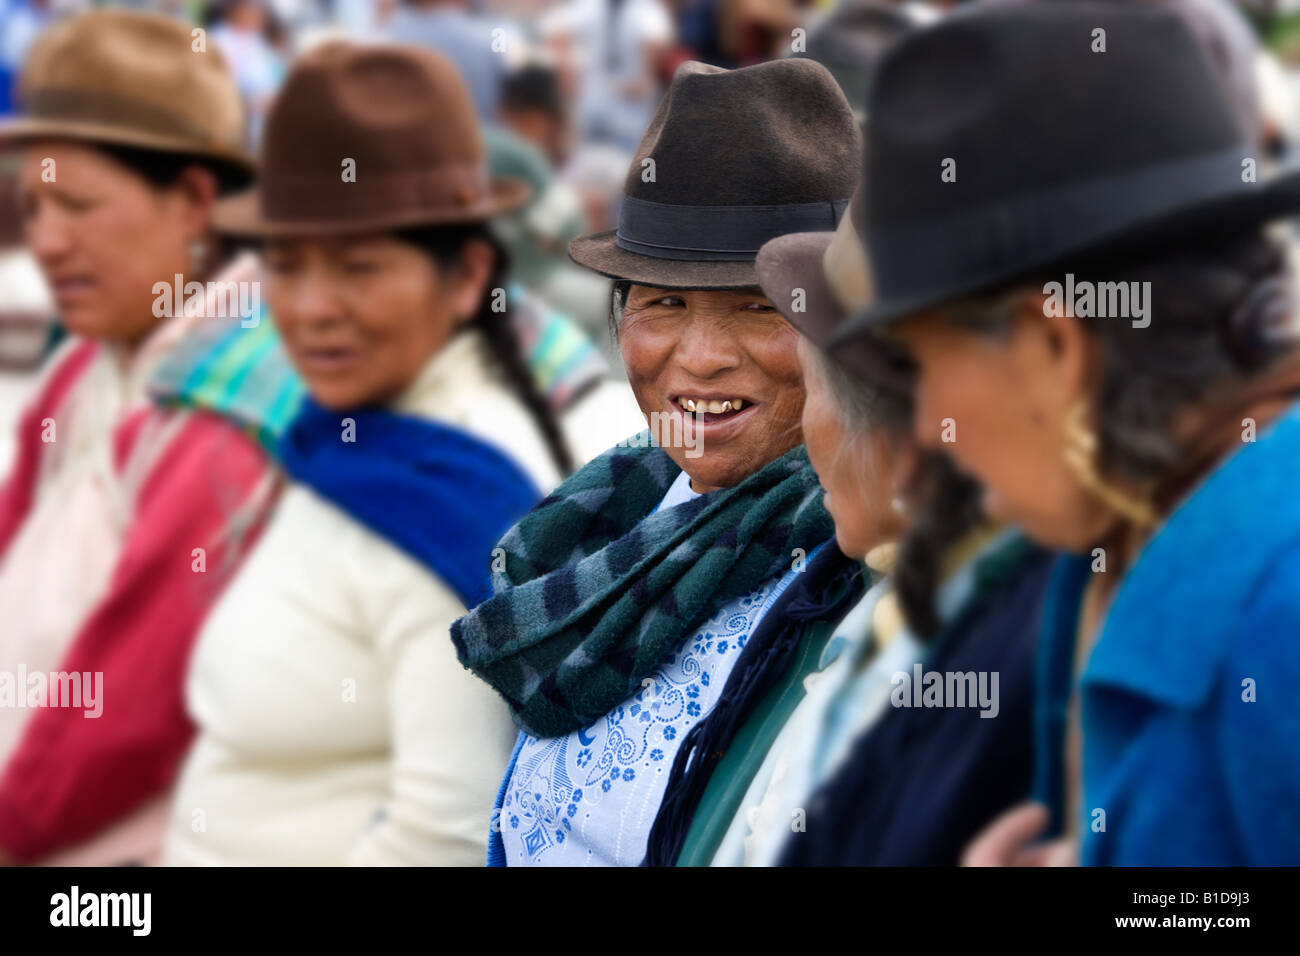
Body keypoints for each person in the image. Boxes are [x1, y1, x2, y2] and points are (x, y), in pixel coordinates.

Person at [840, 3, 1300, 865]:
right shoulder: (1118, 547)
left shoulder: (1279, 614)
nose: (931, 430)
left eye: (921, 359)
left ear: (1055, 346)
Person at [162, 42, 568, 866]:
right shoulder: (354, 441)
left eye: (359, 268)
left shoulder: (452, 498)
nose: (312, 309)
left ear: (466, 278)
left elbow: (448, 836)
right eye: (285, 266)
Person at [451, 56, 859, 866]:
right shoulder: (610, 515)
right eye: (663, 303)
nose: (699, 358)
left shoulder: (850, 570)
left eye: (758, 308)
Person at [0, 8, 273, 867]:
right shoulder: (86, 362)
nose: (45, 242)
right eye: (32, 206)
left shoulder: (233, 396)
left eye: (76, 205)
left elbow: (127, 714)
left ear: (194, 200)